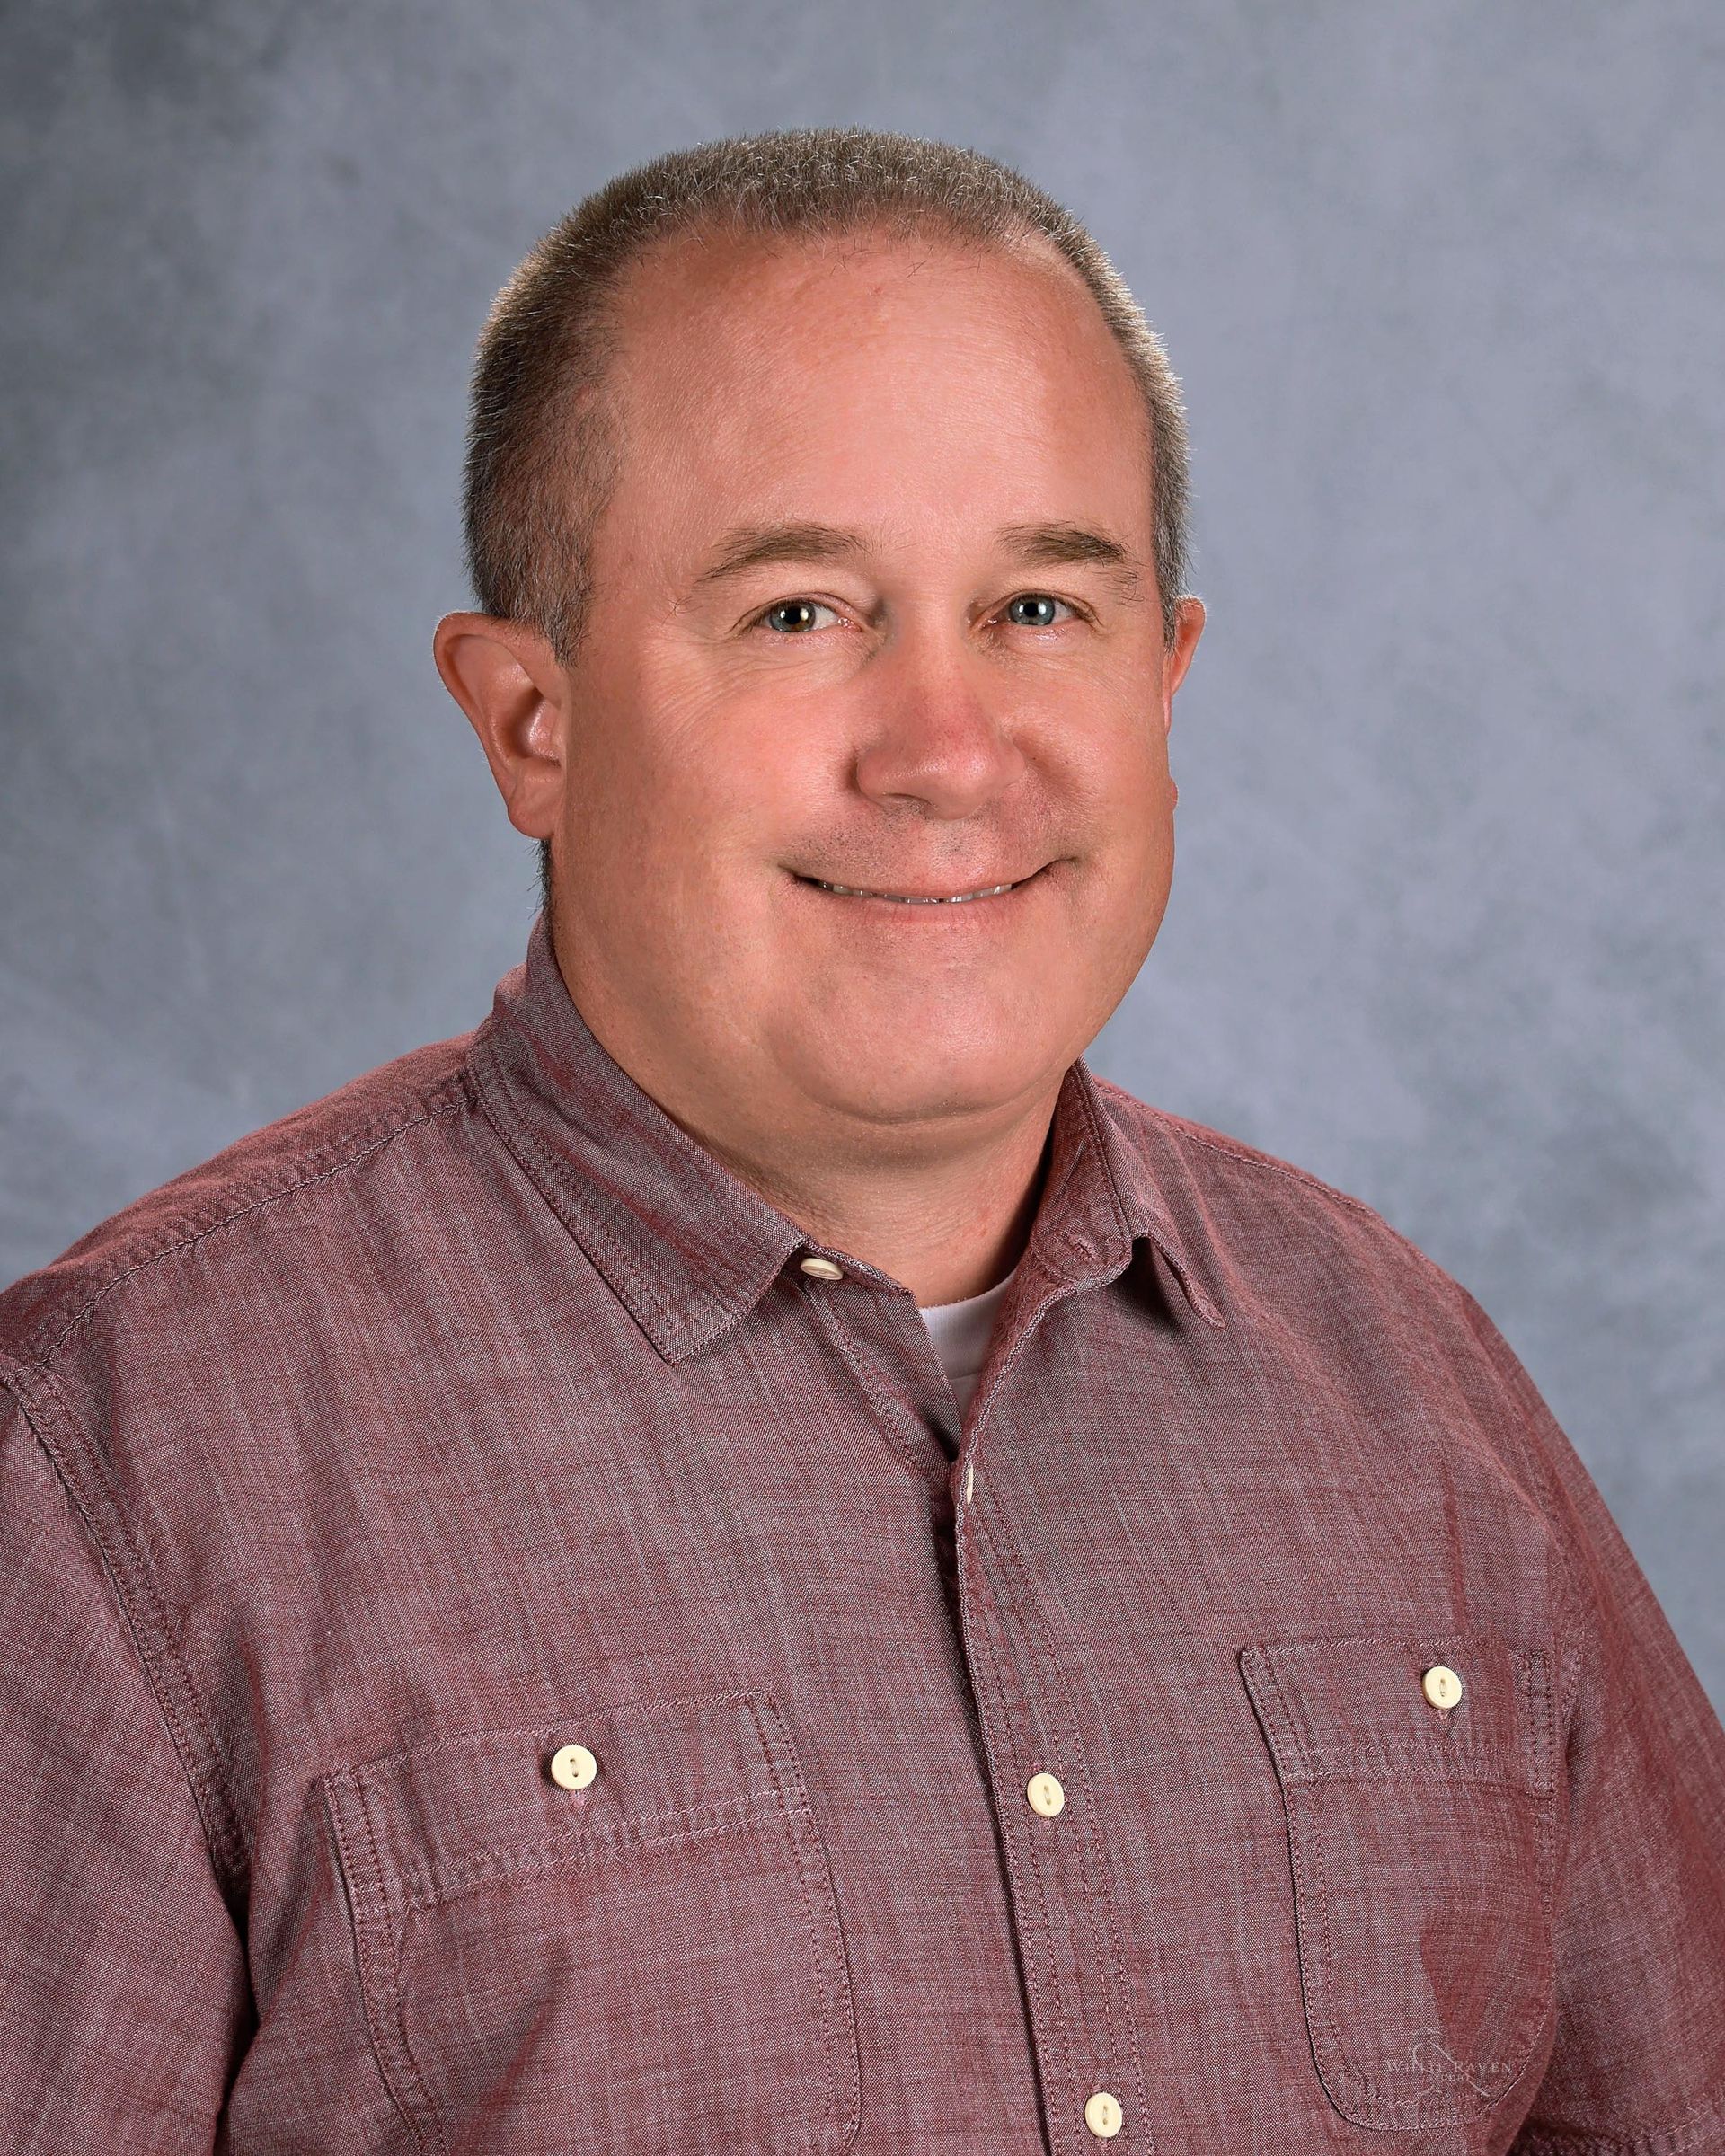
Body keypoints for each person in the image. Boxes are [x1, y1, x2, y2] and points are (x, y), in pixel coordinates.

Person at [2, 126, 1721, 2156]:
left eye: (1037, 607)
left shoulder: (1408, 1386)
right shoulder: (115, 1454)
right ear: (528, 721)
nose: (945, 754)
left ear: (1167, 680)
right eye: (805, 612)